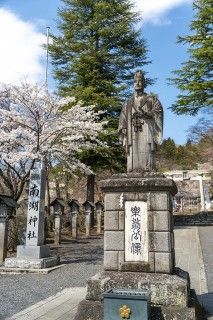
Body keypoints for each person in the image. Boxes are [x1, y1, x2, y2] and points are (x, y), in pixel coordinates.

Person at [118, 70, 163, 172]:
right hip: (132, 131)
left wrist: (147, 114)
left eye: (140, 81)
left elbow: (158, 111)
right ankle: (132, 169)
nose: (137, 84)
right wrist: (124, 127)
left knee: (147, 150)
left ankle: (148, 168)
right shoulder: (128, 102)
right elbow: (123, 116)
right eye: (135, 81)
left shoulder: (151, 100)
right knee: (132, 153)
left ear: (144, 83)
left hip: (147, 130)